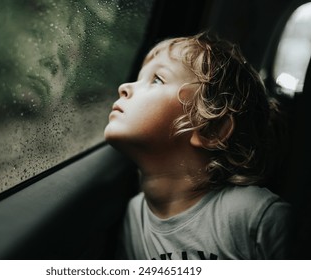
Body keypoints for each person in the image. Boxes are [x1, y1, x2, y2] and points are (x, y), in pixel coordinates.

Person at [104, 32, 290, 260]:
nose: (125, 87)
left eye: (156, 79)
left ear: (209, 129)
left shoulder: (255, 217)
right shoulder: (134, 216)